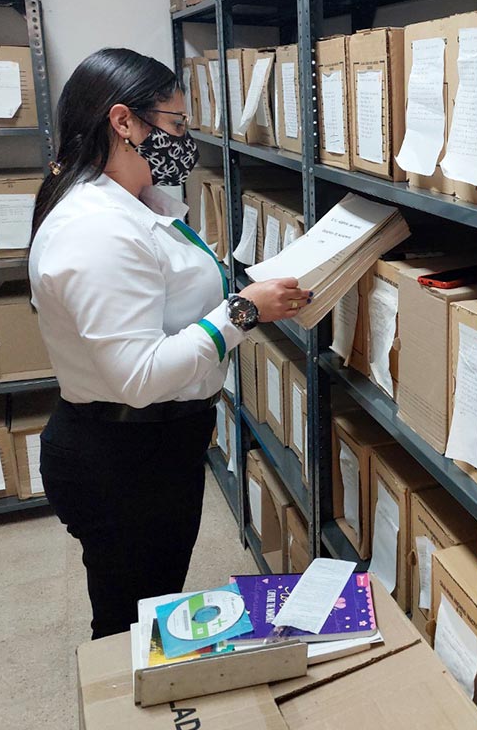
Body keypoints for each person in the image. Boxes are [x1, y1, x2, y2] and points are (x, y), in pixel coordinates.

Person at [28, 48, 308, 640]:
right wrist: (242, 311)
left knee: (149, 603)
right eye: (175, 125)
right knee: (130, 623)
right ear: (124, 121)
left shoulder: (134, 203)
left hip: (152, 445)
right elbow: (141, 376)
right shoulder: (96, 230)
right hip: (122, 456)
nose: (184, 139)